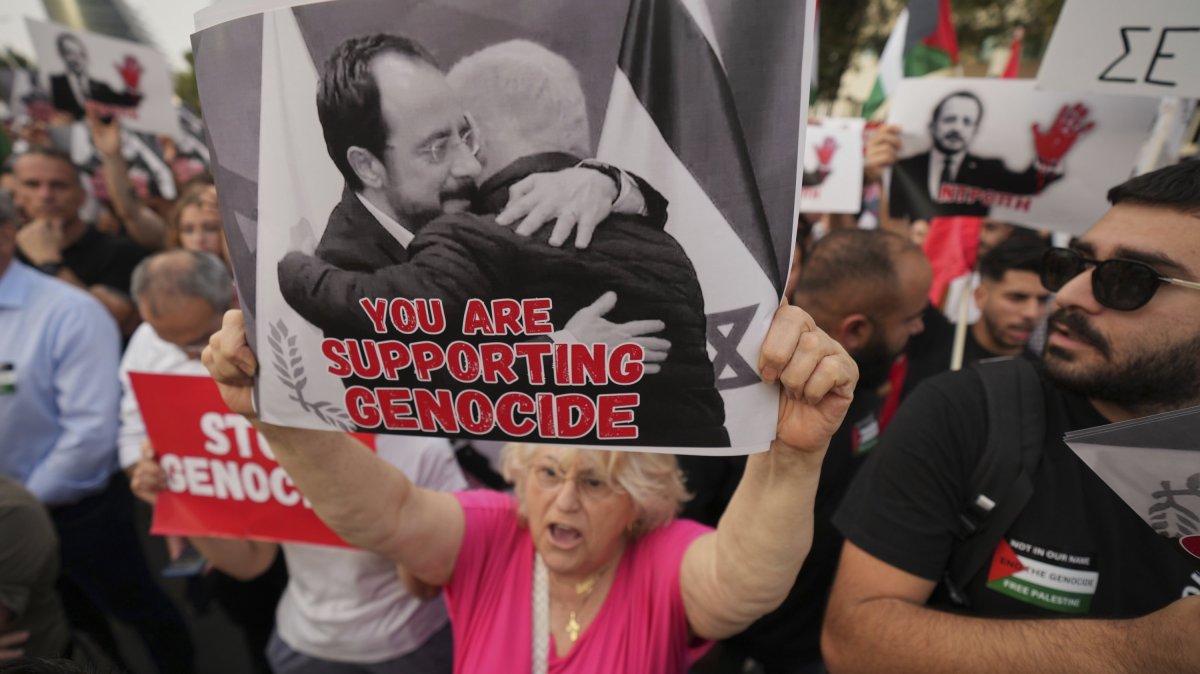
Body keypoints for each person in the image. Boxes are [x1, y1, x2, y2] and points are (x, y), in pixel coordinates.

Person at [202, 265, 857, 674]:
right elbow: (383, 515)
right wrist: (280, 420)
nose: (564, 501)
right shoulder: (491, 534)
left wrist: (792, 456)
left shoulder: (664, 561)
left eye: (594, 482)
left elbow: (744, 581)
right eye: (547, 474)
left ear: (640, 502)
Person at [823, 160, 1200, 673]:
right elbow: (854, 640)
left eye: (1131, 280)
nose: (1068, 295)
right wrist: (1136, 651)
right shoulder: (965, 412)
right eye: (1074, 264)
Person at [279, 40, 725, 446]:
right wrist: (560, 354)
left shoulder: (481, 212)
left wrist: (605, 180)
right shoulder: (343, 264)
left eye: (465, 135)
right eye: (437, 148)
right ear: (368, 167)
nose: (471, 166)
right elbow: (410, 396)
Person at [688, 230, 929, 673]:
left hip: (821, 640)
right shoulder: (731, 405)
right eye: (911, 318)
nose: (921, 328)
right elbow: (685, 539)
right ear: (857, 330)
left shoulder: (860, 388)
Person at [0, 192, 194, 673]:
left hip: (78, 514)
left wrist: (20, 514)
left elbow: (90, 433)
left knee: (137, 611)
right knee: (65, 631)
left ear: (6, 235)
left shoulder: (68, 311)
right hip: (14, 522)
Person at [888, 91, 1091, 222]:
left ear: (975, 130)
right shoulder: (904, 166)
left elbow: (1027, 186)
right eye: (950, 119)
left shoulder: (990, 169)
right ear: (933, 125)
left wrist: (1047, 159)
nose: (957, 128)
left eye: (967, 122)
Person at [11, 148, 146, 336]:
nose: (46, 195)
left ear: (82, 195)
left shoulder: (120, 253)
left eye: (59, 185)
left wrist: (50, 264)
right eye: (32, 185)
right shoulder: (7, 252)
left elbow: (109, 321)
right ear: (16, 194)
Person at [48, 33, 141, 121]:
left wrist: (131, 86)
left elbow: (126, 103)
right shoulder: (55, 83)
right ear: (62, 55)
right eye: (70, 53)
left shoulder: (101, 86)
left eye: (81, 53)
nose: (77, 58)